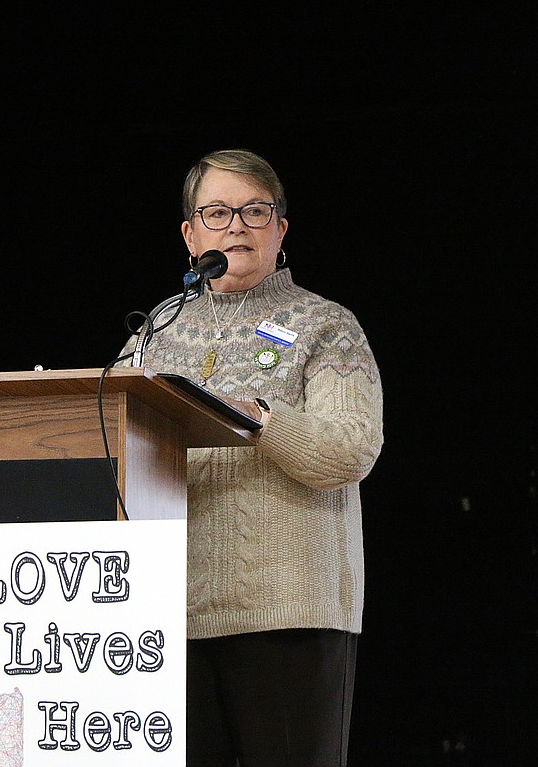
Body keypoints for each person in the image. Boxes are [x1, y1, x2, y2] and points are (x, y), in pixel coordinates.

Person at [125, 149, 384, 766]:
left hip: (289, 611)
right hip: (168, 616)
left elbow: (349, 448)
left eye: (253, 211)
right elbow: (112, 440)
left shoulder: (326, 325)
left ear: (280, 230)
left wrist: (259, 419)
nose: (234, 226)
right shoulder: (156, 332)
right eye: (216, 213)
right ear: (190, 235)